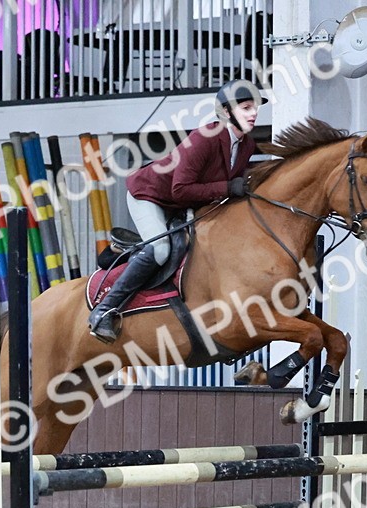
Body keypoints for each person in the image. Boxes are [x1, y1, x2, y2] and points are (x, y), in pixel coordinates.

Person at [87, 79, 265, 344]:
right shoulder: (204, 138)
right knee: (160, 250)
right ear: (227, 112)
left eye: (255, 108)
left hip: (181, 204)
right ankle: (103, 310)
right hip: (150, 194)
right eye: (246, 108)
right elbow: (181, 189)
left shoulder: (246, 145)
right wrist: (228, 187)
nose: (253, 114)